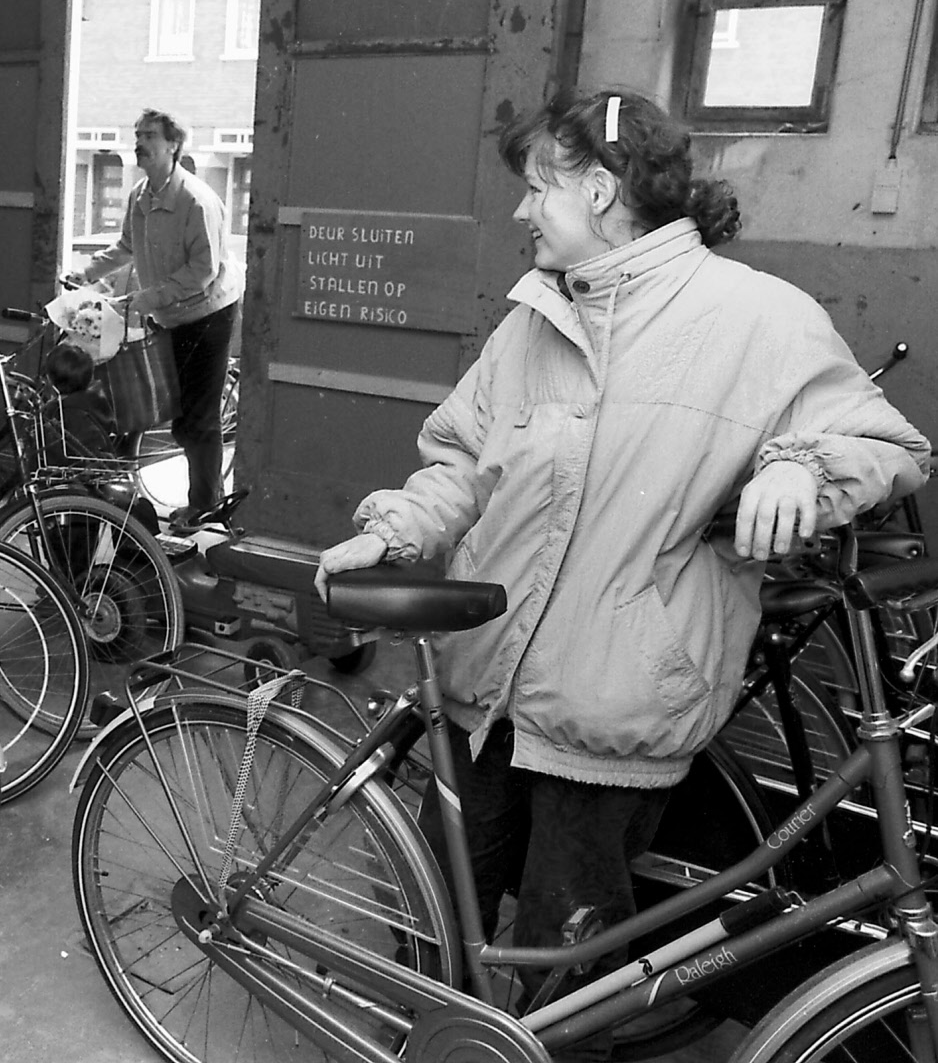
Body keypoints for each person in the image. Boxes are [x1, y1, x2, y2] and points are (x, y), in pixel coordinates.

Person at [312, 89, 928, 1052]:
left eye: (536, 189)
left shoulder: (759, 320)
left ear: (598, 190)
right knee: (443, 921)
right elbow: (464, 466)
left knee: (574, 978)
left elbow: (883, 440)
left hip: (614, 715)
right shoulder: (532, 321)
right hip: (483, 690)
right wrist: (394, 528)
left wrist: (800, 466)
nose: (521, 212)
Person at [83, 109, 242, 530]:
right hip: (169, 313)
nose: (140, 142)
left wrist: (145, 298)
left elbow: (202, 272)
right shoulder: (140, 195)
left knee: (197, 416)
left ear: (173, 145)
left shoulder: (195, 200)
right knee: (174, 410)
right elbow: (125, 246)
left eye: (149, 135)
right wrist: (88, 272)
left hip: (208, 314)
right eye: (137, 134)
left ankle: (206, 509)